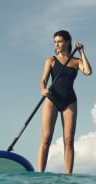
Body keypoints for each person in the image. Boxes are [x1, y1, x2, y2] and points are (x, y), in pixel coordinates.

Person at [37, 30, 92, 174]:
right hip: (52, 98)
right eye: (55, 42)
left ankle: (68, 175)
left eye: (60, 41)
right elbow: (43, 80)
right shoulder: (51, 60)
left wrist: (81, 53)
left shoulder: (76, 62)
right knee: (46, 139)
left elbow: (87, 71)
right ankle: (39, 173)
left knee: (68, 141)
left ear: (67, 42)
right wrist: (43, 89)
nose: (57, 44)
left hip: (69, 101)